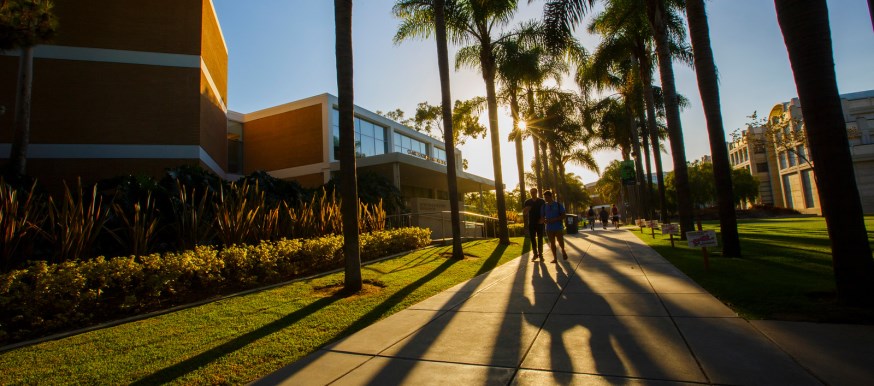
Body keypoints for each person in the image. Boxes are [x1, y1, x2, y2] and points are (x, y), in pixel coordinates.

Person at [542, 191, 568, 262]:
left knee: (560, 241)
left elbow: (563, 215)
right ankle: (555, 258)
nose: (545, 199)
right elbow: (542, 217)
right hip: (549, 228)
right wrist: (544, 221)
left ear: (551, 196)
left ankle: (563, 250)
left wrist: (555, 219)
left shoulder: (558, 205)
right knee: (552, 243)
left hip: (558, 227)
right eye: (545, 197)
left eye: (547, 197)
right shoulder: (544, 206)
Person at [522, 188, 546, 262]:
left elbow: (545, 211)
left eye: (534, 192)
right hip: (531, 223)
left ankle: (541, 255)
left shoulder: (542, 201)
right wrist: (527, 209)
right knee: (533, 239)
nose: (532, 194)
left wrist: (543, 219)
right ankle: (535, 254)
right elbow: (524, 213)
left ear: (537, 192)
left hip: (540, 223)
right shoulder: (527, 202)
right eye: (531, 192)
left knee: (540, 239)